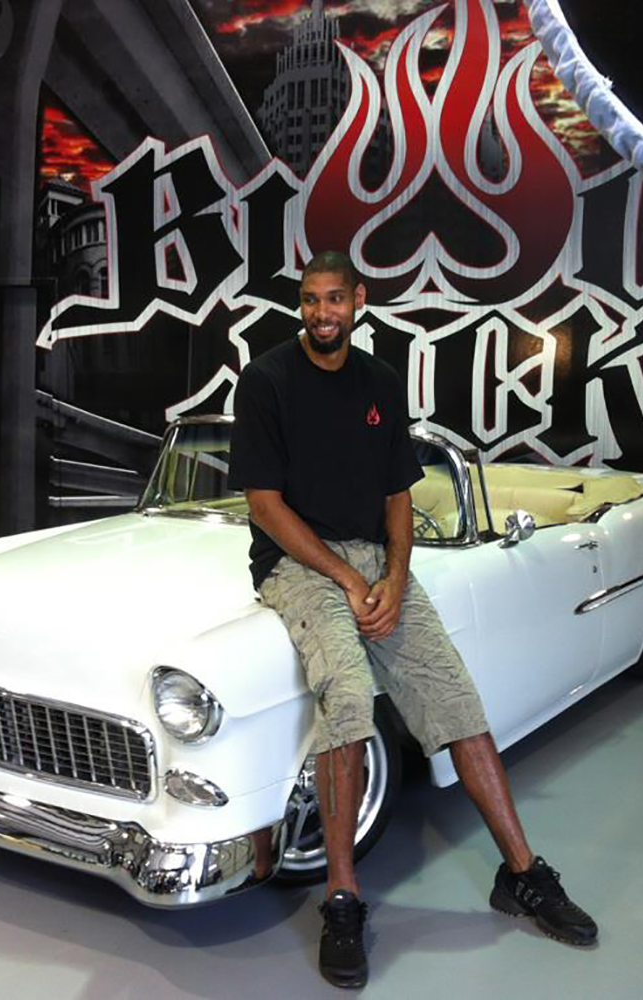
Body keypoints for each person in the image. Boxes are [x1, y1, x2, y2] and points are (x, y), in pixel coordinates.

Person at [227, 251, 598, 989]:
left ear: (358, 301)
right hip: (297, 564)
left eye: (335, 299)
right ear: (300, 304)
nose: (322, 313)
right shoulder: (266, 380)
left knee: (458, 701)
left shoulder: (380, 382)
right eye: (310, 300)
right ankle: (342, 898)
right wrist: (346, 578)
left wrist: (395, 578)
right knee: (349, 699)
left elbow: (399, 493)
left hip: (377, 559)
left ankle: (522, 874)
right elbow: (264, 506)